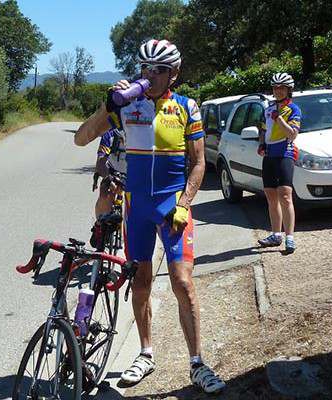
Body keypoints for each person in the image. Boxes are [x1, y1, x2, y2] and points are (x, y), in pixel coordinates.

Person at [73, 39, 225, 394]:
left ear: (174, 73)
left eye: (158, 70)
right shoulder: (127, 106)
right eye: (144, 68)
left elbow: (199, 162)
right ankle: (145, 352)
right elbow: (81, 139)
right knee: (139, 283)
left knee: (182, 283)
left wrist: (185, 203)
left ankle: (197, 363)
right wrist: (106, 107)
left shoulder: (188, 107)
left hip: (172, 205)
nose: (150, 75)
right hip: (136, 206)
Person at [256, 72, 302, 254]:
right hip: (269, 155)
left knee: (285, 195)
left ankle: (289, 237)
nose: (278, 91)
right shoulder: (267, 109)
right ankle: (276, 234)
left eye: (282, 88)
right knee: (270, 195)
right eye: (275, 88)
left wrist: (279, 118)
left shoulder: (294, 109)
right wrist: (261, 144)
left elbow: (292, 134)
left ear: (289, 90)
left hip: (285, 153)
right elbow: (263, 129)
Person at [92, 128, 125, 218]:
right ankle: (100, 225)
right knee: (104, 192)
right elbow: (101, 161)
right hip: (113, 172)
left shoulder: (143, 133)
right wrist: (107, 178)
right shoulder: (110, 134)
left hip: (134, 173)